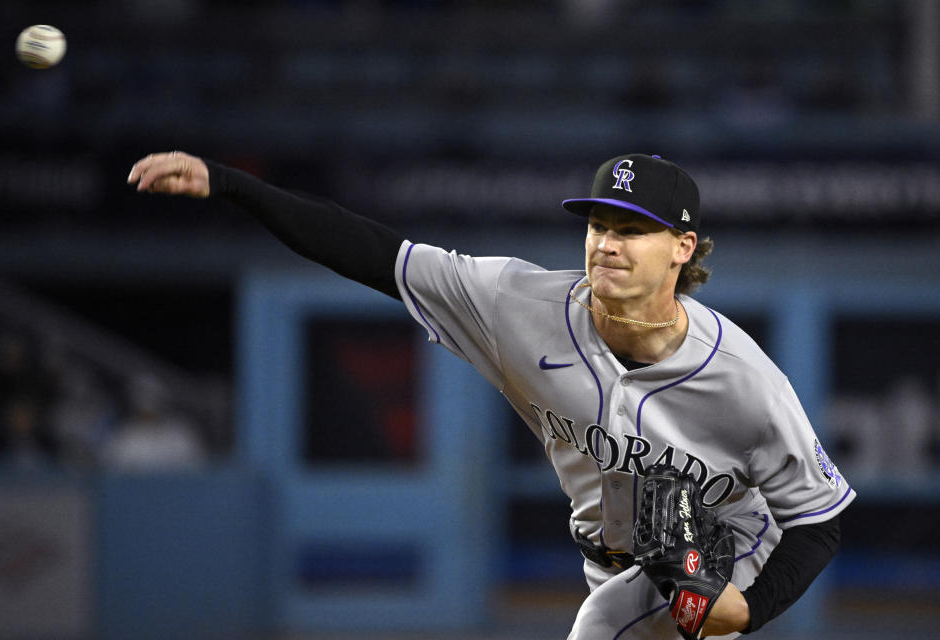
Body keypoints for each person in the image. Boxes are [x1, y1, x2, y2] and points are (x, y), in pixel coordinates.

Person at [127, 151, 854, 638]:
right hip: (612, 554)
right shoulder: (515, 302)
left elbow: (818, 522)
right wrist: (233, 185)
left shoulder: (745, 380)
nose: (606, 242)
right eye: (600, 223)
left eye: (633, 230)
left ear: (683, 250)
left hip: (721, 548)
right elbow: (372, 253)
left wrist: (745, 612)